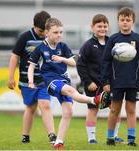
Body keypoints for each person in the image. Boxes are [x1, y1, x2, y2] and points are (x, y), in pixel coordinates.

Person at [28, 17, 104, 149]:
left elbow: (74, 63)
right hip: (51, 81)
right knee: (70, 91)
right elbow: (31, 66)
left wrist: (62, 59)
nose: (59, 35)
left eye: (61, 32)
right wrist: (30, 81)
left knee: (68, 112)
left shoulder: (63, 46)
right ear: (47, 33)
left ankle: (59, 142)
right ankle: (94, 100)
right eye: (56, 32)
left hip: (63, 79)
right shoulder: (40, 48)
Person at [101, 7, 139, 146]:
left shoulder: (138, 39)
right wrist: (105, 81)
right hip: (116, 82)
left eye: (128, 20)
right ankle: (110, 138)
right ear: (118, 22)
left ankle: (131, 139)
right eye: (122, 20)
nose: (125, 22)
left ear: (132, 22)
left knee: (131, 110)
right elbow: (105, 61)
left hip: (133, 82)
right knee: (114, 110)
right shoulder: (113, 39)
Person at [7, 11, 57, 144]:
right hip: (26, 81)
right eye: (40, 31)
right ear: (33, 25)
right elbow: (14, 57)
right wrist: (11, 77)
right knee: (31, 107)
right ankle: (25, 136)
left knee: (45, 105)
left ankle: (52, 135)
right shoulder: (24, 37)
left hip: (44, 80)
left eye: (45, 31)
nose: (42, 34)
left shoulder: (50, 38)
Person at [77, 14, 124, 144]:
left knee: (115, 109)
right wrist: (88, 82)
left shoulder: (113, 43)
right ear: (92, 27)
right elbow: (80, 65)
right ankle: (91, 138)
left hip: (109, 84)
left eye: (105, 26)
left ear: (108, 27)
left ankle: (114, 135)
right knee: (93, 110)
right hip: (93, 85)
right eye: (99, 26)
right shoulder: (88, 45)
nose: (102, 28)